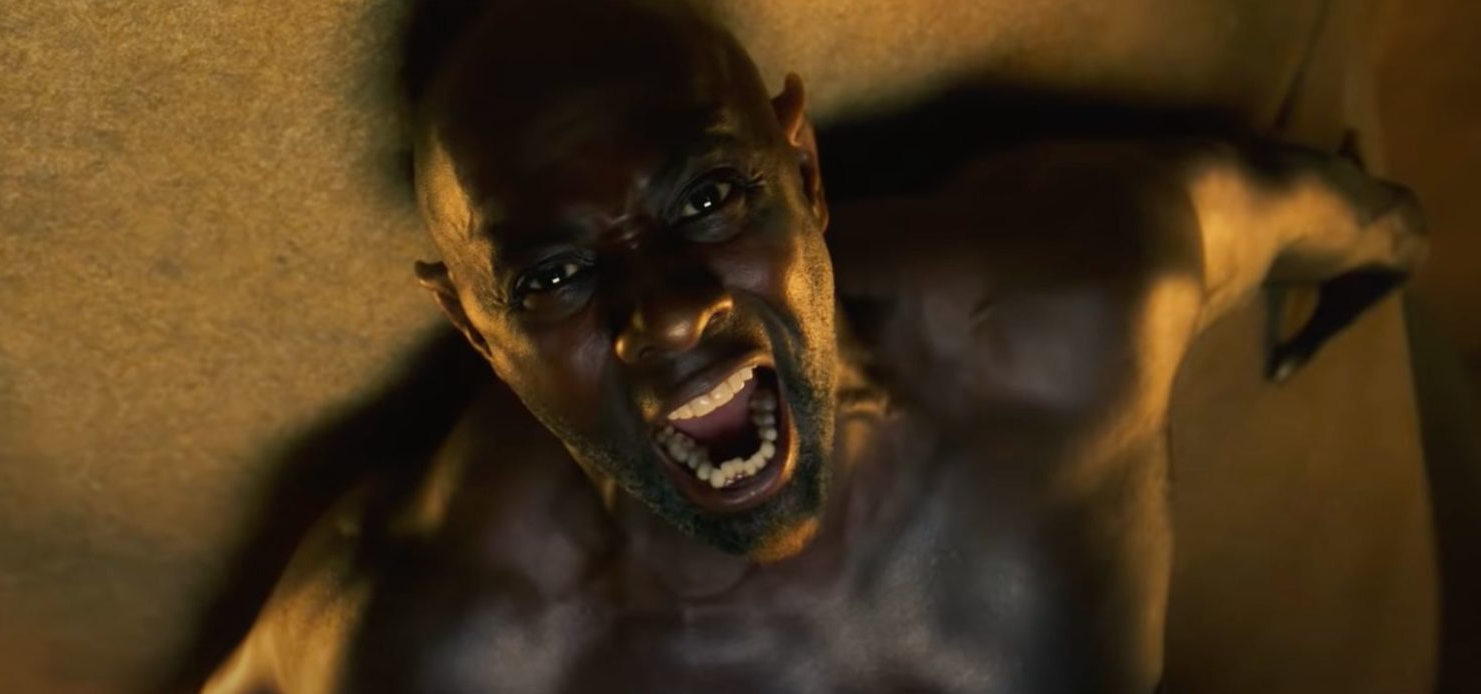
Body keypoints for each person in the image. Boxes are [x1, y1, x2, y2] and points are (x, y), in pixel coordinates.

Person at [204, 0, 1424, 691]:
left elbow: (1302, 211)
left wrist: (1389, 250)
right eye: (556, 276)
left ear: (802, 168)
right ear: (479, 332)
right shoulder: (438, 639)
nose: (667, 312)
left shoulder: (1074, 303)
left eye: (706, 200)